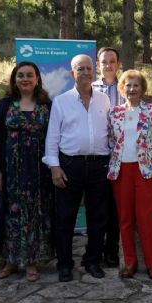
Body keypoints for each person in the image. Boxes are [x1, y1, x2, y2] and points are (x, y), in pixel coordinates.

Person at [43, 54, 112, 282]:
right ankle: (64, 264)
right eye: (80, 69)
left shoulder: (104, 100)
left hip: (99, 166)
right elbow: (52, 138)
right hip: (69, 165)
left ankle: (92, 260)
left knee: (98, 217)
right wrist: (54, 167)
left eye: (88, 68)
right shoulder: (61, 101)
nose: (85, 72)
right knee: (65, 217)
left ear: (94, 72)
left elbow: (111, 133)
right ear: (72, 74)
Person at [0, 61, 53, 282]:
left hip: (39, 173)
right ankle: (11, 261)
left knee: (35, 215)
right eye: (20, 75)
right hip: (10, 173)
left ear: (37, 79)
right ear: (15, 79)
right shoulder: (4, 105)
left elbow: (55, 138)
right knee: (10, 214)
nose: (25, 79)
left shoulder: (46, 105)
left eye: (29, 75)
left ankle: (31, 262)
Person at [108, 70, 152, 281]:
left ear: (142, 89)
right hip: (121, 171)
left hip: (145, 171)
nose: (132, 89)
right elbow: (111, 142)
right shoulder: (114, 113)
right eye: (128, 85)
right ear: (122, 88)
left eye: (136, 85)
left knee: (145, 219)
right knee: (125, 219)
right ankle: (130, 263)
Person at [92, 47, 123, 268]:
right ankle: (94, 251)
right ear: (98, 65)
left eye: (112, 61)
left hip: (121, 158)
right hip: (97, 157)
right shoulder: (89, 89)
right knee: (97, 207)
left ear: (118, 64)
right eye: (104, 62)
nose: (108, 65)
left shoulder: (127, 86)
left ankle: (111, 251)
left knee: (114, 208)